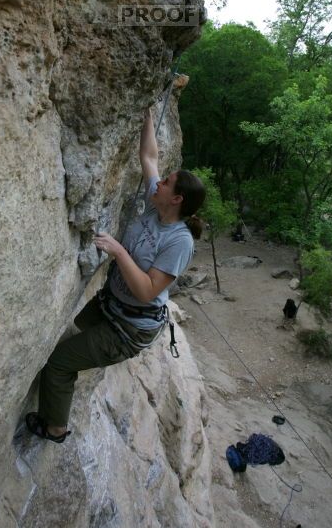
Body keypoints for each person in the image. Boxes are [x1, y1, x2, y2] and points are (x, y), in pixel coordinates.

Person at [25, 108, 206, 442]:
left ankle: (55, 428)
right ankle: (80, 368)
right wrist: (147, 114)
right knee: (78, 327)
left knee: (60, 362)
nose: (159, 180)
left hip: (130, 328)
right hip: (112, 305)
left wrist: (119, 252)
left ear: (176, 199)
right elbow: (149, 155)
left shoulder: (178, 241)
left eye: (166, 182)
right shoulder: (157, 204)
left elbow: (148, 291)